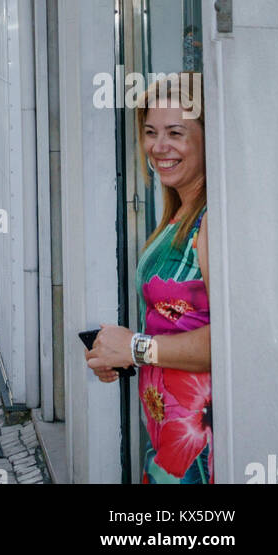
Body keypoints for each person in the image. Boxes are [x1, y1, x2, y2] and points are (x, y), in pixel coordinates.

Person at [86, 74, 212, 484]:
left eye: (176, 133)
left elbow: (232, 341)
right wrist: (119, 352)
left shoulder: (211, 222)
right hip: (168, 441)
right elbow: (176, 327)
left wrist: (136, 348)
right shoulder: (179, 213)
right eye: (150, 132)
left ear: (209, 137)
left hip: (202, 451)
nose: (159, 147)